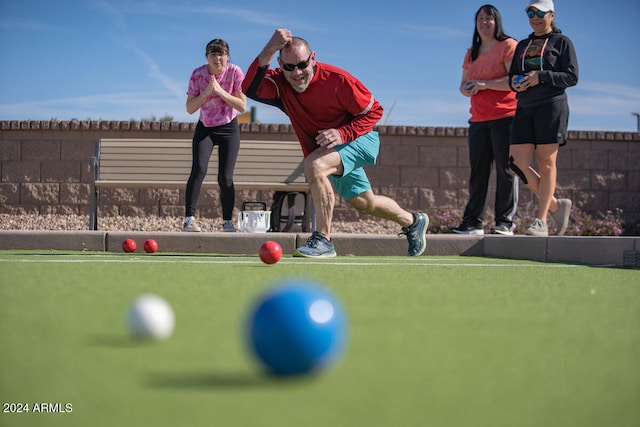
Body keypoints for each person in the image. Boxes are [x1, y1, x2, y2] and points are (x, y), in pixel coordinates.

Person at [242, 29, 428, 258]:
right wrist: (270, 47)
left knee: (315, 165)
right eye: (289, 67)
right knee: (365, 203)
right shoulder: (282, 85)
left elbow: (374, 111)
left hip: (360, 139)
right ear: (280, 64)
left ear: (313, 58)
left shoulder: (338, 80)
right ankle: (413, 221)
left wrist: (343, 133)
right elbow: (249, 87)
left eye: (302, 64)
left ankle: (324, 239)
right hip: (329, 151)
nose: (297, 73)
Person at [508, 0, 577, 236]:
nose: (534, 17)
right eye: (530, 12)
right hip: (525, 107)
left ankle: (542, 220)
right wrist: (515, 83)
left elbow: (571, 76)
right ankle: (557, 205)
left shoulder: (562, 42)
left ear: (551, 15)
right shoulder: (523, 45)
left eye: (540, 13)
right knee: (516, 163)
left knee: (546, 162)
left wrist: (542, 77)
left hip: (551, 106)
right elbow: (512, 76)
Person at [453, 4, 519, 236]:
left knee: (506, 170)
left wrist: (485, 84)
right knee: (478, 172)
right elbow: (462, 85)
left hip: (506, 117)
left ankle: (505, 222)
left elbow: (514, 80)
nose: (484, 22)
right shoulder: (472, 52)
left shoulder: (509, 45)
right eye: (480, 18)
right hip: (478, 120)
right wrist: (468, 89)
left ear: (496, 22)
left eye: (489, 18)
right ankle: (473, 223)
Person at [183, 39, 246, 232]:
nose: (217, 58)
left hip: (229, 127)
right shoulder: (198, 74)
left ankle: (227, 221)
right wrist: (207, 92)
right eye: (213, 54)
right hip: (206, 127)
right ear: (206, 57)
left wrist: (219, 91)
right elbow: (190, 108)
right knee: (199, 169)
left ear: (227, 56)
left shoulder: (235, 72)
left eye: (221, 54)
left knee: (225, 177)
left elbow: (242, 106)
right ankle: (188, 220)